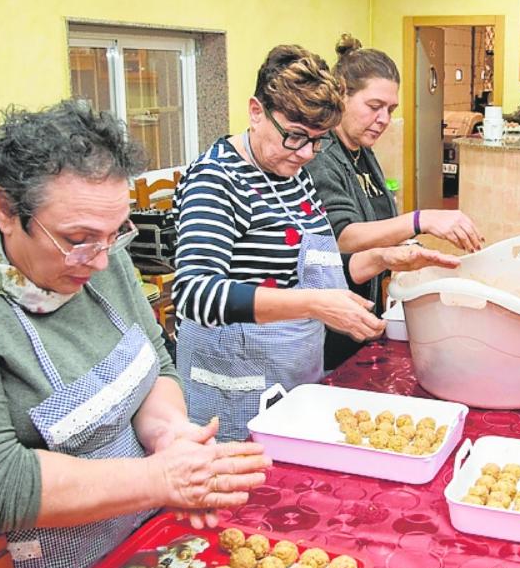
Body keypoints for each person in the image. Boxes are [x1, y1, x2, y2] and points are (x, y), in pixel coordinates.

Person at [0, 100, 270, 568]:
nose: (99, 260)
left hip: (130, 557)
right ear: (4, 208)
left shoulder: (98, 244)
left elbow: (155, 364)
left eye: (114, 234)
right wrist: (157, 480)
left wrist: (168, 434)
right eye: (77, 240)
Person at [173, 44, 458, 440]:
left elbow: (310, 269)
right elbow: (194, 293)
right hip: (235, 394)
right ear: (256, 112)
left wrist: (379, 257)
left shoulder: (292, 169)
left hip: (294, 376)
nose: (307, 153)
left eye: (318, 140)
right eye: (295, 136)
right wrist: (313, 304)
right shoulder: (216, 179)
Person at [307, 34, 484, 369]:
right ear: (341, 95)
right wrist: (420, 219)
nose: (384, 119)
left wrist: (412, 250)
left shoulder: (361, 152)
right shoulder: (321, 155)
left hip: (360, 324)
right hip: (326, 335)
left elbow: (380, 226)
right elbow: (340, 237)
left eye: (390, 110)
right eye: (374, 107)